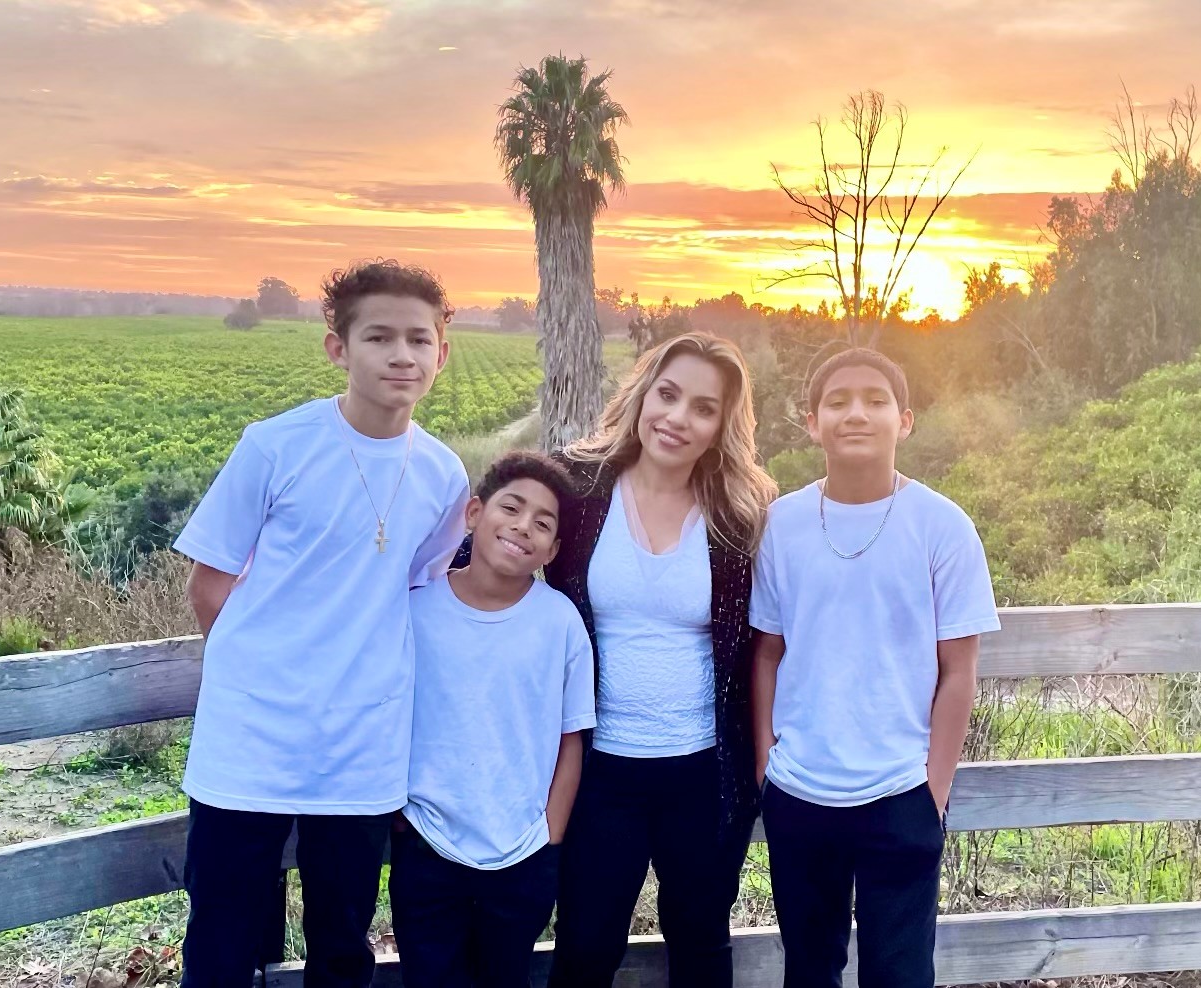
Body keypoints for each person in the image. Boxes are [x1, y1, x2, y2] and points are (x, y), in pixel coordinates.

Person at [173, 260, 470, 988]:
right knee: (220, 932)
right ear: (337, 347)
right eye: (378, 337)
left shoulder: (443, 476)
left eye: (418, 339)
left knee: (342, 940)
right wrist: (266, 672)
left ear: (441, 352)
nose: (401, 355)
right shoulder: (275, 446)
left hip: (361, 747)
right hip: (250, 740)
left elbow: (416, 588)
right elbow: (208, 583)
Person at [750, 347, 1001, 988]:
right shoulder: (781, 525)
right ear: (812, 423)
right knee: (810, 967)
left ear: (905, 420)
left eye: (875, 399)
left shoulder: (943, 527)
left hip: (901, 792)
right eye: (837, 401)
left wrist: (932, 791)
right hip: (801, 789)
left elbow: (959, 669)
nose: (855, 413)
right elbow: (768, 652)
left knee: (900, 972)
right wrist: (765, 764)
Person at [544, 332, 779, 988]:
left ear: (720, 427)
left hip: (705, 773)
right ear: (642, 394)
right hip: (598, 771)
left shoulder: (740, 515)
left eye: (702, 408)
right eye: (667, 394)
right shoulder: (576, 487)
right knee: (586, 945)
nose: (677, 418)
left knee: (701, 943)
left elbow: (774, 636)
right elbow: (487, 554)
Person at [391, 450, 597, 988]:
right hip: (427, 845)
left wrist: (549, 838)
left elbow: (571, 738)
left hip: (522, 854)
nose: (523, 526)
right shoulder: (416, 610)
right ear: (475, 513)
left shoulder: (560, 623)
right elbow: (387, 716)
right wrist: (402, 818)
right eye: (512, 507)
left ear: (552, 549)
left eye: (542, 523)